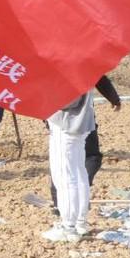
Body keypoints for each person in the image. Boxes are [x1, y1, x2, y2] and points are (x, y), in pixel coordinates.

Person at [49, 75, 121, 212]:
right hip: (78, 119)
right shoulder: (80, 59)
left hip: (60, 119)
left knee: (64, 163)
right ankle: (74, 206)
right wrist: (113, 98)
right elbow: (98, 76)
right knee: (86, 160)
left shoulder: (51, 59)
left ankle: (62, 203)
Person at [42, 91, 96, 243]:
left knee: (64, 177)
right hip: (79, 122)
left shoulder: (71, 69)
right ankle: (80, 222)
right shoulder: (86, 68)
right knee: (79, 173)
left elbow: (68, 99)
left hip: (66, 123)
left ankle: (68, 227)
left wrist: (44, 99)